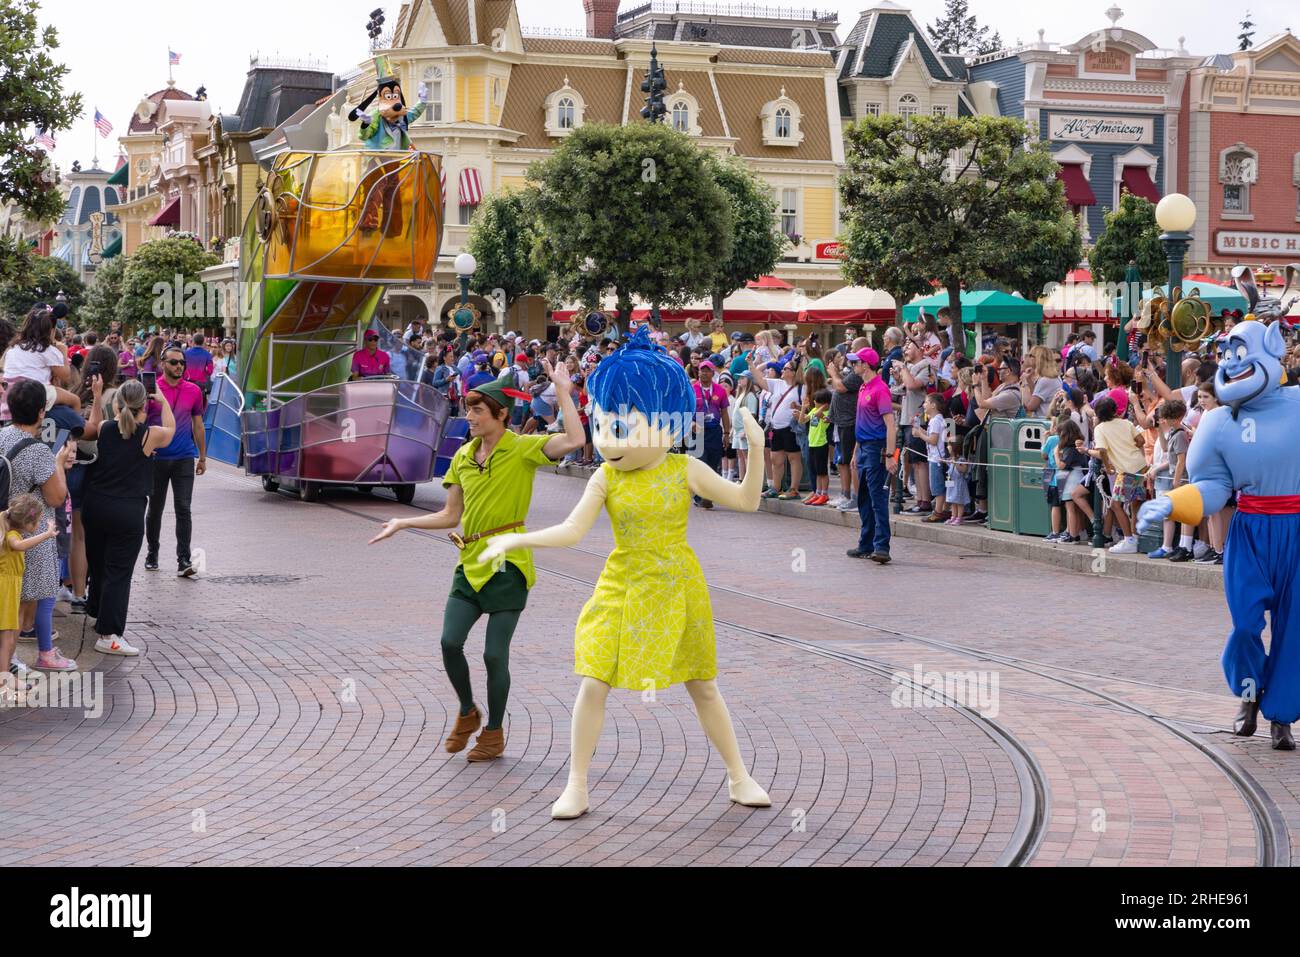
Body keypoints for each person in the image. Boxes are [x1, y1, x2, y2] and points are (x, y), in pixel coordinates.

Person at [478, 326, 771, 819]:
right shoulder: (606, 474)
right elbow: (572, 531)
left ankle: (739, 776)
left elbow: (746, 500)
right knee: (594, 678)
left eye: (624, 425)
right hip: (621, 582)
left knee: (701, 683)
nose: (608, 438)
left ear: (664, 424)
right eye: (605, 423)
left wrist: (758, 450)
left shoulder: (684, 470)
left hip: (677, 585)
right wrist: (516, 538)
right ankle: (577, 784)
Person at [368, 361, 584, 762]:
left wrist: (565, 392)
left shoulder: (522, 449)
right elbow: (451, 516)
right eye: (467, 409)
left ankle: (494, 731)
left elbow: (574, 439)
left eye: (477, 410)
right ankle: (468, 712)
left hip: (508, 563)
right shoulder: (464, 457)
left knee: (493, 655)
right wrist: (402, 521)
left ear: (501, 414)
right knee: (450, 642)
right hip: (469, 561)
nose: (468, 416)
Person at [83, 378, 177, 656]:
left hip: (95, 505)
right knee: (118, 572)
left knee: (98, 563)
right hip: (127, 510)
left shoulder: (105, 429)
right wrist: (163, 400)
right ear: (144, 407)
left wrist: (98, 396)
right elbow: (172, 429)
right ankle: (108, 634)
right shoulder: (150, 435)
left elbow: (93, 426)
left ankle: (97, 610)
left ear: (117, 404)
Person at [0, 380, 77, 671]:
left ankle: (9, 660)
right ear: (41, 412)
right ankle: (9, 662)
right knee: (21, 607)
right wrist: (58, 463)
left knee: (7, 604)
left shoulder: (1, 436)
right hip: (30, 535)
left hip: (3, 530)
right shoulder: (38, 452)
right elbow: (57, 497)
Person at [145, 345, 206, 577]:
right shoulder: (151, 389)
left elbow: (198, 425)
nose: (179, 366)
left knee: (183, 508)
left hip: (183, 458)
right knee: (156, 508)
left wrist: (202, 457)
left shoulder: (193, 390)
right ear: (163, 364)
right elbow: (141, 421)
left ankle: (183, 559)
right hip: (156, 458)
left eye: (182, 363)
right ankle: (152, 552)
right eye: (173, 362)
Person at [0, 496, 58, 697]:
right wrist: (47, 534)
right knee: (6, 636)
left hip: (10, 587)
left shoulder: (7, 527)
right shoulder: (12, 535)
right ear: (28, 522)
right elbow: (19, 546)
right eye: (38, 521)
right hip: (5, 589)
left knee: (8, 635)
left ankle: (5, 675)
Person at [847, 348, 897, 564]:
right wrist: (855, 452)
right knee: (864, 498)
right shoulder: (863, 387)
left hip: (877, 448)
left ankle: (881, 547)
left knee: (877, 499)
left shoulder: (880, 389)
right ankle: (866, 543)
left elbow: (890, 425)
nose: (853, 366)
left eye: (855, 362)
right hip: (865, 447)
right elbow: (861, 421)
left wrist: (889, 455)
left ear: (866, 364)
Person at [1089, 395, 1145, 553]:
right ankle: (1136, 536)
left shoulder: (1100, 429)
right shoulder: (1126, 423)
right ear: (1115, 410)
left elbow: (1102, 450)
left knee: (1115, 505)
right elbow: (1141, 441)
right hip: (1140, 465)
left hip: (1126, 469)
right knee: (1135, 503)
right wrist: (1127, 446)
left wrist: (1108, 466)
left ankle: (1129, 540)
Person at [751, 355, 803, 500]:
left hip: (791, 427)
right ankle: (775, 487)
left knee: (794, 457)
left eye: (786, 368)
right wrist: (751, 363)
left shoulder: (801, 388)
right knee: (775, 459)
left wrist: (798, 407)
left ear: (793, 372)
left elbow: (807, 405)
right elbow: (759, 379)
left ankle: (794, 489)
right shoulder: (778, 383)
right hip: (777, 427)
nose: (783, 370)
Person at [691, 359, 730, 509]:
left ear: (713, 373)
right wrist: (691, 423)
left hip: (714, 429)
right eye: (702, 370)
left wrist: (726, 433)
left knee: (713, 462)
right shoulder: (692, 389)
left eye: (708, 370)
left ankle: (708, 493)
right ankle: (701, 496)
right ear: (698, 372)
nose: (704, 373)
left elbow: (725, 412)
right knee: (700, 462)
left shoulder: (720, 390)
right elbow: (685, 410)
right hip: (697, 428)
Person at [827, 349, 861, 511]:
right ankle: (845, 493)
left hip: (849, 422)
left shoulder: (857, 375)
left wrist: (834, 373)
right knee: (842, 460)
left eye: (855, 360)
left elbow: (840, 387)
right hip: (840, 422)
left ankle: (855, 497)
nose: (851, 362)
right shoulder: (851, 373)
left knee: (849, 461)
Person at [5, 306, 70, 387]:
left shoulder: (14, 348)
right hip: (35, 390)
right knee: (75, 399)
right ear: (51, 331)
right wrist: (63, 352)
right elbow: (65, 376)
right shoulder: (47, 350)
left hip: (11, 390)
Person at [916, 392, 948, 523]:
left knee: (937, 487)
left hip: (936, 459)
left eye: (926, 402)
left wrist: (920, 434)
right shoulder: (938, 419)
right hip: (937, 458)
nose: (924, 405)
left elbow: (933, 440)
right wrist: (920, 431)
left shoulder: (935, 421)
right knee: (939, 486)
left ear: (933, 405)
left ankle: (938, 512)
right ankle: (943, 509)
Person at [799, 388, 833, 506]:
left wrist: (823, 408)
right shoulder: (814, 410)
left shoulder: (827, 413)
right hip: (812, 443)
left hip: (821, 444)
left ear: (824, 403)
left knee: (822, 471)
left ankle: (824, 494)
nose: (814, 403)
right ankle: (818, 493)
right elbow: (802, 421)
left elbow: (825, 419)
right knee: (817, 471)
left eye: (817, 401)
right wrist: (803, 408)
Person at [183, 333, 215, 398]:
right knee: (199, 404)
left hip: (187, 381)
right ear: (203, 342)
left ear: (193, 341)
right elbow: (210, 371)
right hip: (200, 383)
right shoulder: (207, 354)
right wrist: (204, 373)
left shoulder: (185, 353)